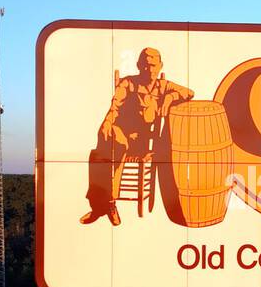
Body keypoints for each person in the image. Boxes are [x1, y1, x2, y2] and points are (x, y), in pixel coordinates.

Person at [81, 48, 194, 226]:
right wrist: (107, 123)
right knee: (108, 144)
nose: (150, 70)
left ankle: (102, 206)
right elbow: (115, 107)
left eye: (153, 66)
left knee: (100, 154)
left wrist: (170, 97)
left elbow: (189, 93)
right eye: (146, 65)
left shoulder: (164, 87)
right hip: (121, 134)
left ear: (160, 66)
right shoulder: (128, 84)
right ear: (139, 66)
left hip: (141, 142)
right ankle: (106, 205)